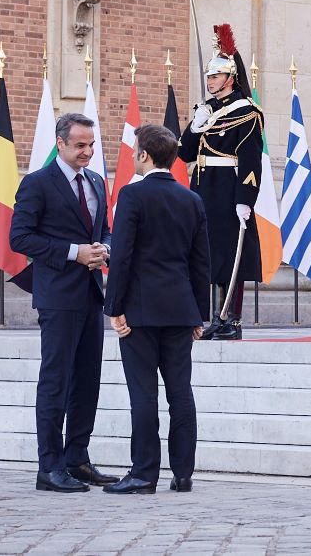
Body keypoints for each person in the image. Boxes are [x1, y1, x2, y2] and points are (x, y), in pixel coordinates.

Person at [10, 111, 117, 492]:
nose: (87, 152)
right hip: (57, 296)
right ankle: (49, 466)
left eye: (91, 145)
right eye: (80, 146)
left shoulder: (95, 181)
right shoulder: (37, 183)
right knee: (56, 380)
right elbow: (20, 239)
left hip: (91, 295)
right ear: (61, 143)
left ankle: (78, 458)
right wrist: (74, 252)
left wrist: (104, 246)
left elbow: (105, 228)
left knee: (87, 380)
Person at [104, 123, 211, 495]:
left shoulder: (132, 196)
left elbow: (122, 258)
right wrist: (200, 312)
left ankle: (144, 473)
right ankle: (183, 474)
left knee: (143, 393)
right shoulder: (191, 199)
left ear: (145, 155)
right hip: (181, 310)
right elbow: (201, 263)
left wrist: (113, 307)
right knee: (181, 391)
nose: (134, 155)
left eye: (136, 150)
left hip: (140, 311)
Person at [178, 24, 264, 341]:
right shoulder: (207, 110)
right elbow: (185, 154)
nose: (210, 81)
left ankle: (229, 319)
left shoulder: (248, 112)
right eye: (209, 77)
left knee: (230, 256)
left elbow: (251, 159)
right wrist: (195, 127)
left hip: (228, 190)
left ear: (230, 78)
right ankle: (204, 316)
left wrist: (245, 198)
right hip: (201, 188)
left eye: (215, 76)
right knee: (203, 253)